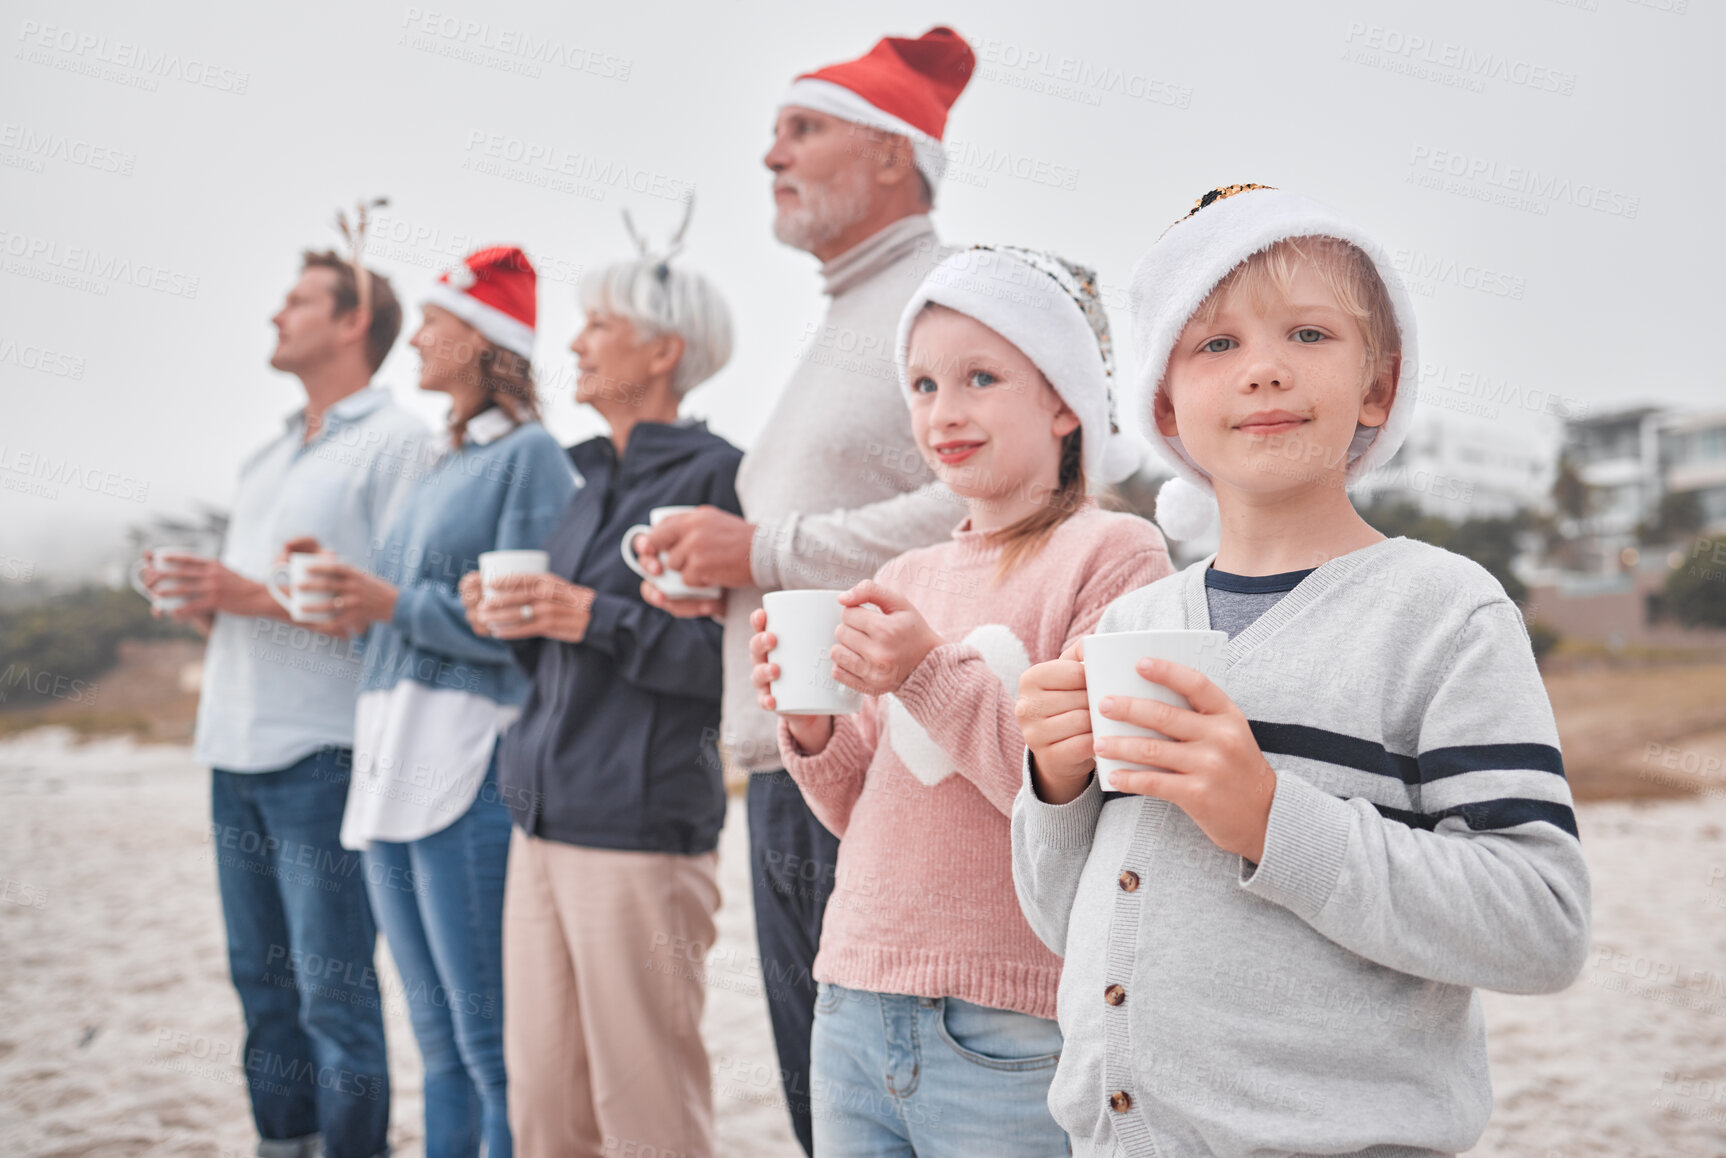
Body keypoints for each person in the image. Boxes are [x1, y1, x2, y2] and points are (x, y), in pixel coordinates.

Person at [1011, 185, 1592, 1156]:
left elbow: (1542, 925)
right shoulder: (1132, 621)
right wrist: (1052, 787)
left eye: (1309, 335)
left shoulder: (1441, 613)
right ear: (1164, 403)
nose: (1265, 371)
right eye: (1216, 345)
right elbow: (1057, 920)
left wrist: (1270, 820)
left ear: (1377, 386)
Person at [632, 28, 978, 1152]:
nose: (769, 154)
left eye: (801, 129)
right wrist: (718, 579)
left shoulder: (942, 297)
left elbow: (991, 504)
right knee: (822, 1111)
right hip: (795, 763)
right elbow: (819, 541)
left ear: (890, 157)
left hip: (876, 770)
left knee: (872, 1115)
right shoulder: (850, 312)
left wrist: (763, 552)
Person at [750, 247, 1166, 1155]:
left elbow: (1076, 799)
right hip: (853, 994)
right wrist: (812, 722)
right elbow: (858, 809)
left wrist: (927, 673)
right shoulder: (905, 573)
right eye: (925, 385)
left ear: (1064, 402)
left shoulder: (1116, 555)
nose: (946, 411)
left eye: (981, 378)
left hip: (1009, 1019)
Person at [454, 241, 741, 1158]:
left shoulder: (720, 478)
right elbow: (569, 660)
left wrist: (592, 617)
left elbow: (723, 667)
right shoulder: (588, 486)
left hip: (640, 834)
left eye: (600, 325)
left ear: (665, 351)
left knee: (647, 1110)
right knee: (544, 1110)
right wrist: (518, 621)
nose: (574, 345)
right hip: (540, 821)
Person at [140, 249, 423, 1158]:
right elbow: (256, 602)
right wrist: (202, 604)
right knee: (257, 988)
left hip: (326, 749)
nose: (276, 316)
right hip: (233, 746)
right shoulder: (266, 457)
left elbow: (395, 600)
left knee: (332, 992)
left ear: (353, 322)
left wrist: (244, 589)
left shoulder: (400, 442)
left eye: (297, 300)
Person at [295, 246, 577, 1158]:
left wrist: (390, 604)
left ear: (486, 341)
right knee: (439, 1046)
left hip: (468, 763)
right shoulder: (438, 459)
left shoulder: (531, 458)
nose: (413, 338)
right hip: (392, 760)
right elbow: (412, 608)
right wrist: (351, 596)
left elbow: (517, 625)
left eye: (433, 321)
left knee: (489, 1048)